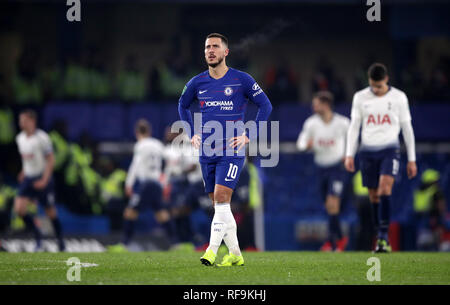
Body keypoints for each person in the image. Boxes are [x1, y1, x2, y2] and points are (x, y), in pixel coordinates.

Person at [178, 33, 272, 266]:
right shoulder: (196, 82)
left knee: (221, 199)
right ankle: (236, 255)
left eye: (215, 47)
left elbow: (265, 105)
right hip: (206, 151)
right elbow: (182, 105)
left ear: (225, 52)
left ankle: (211, 251)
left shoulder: (242, 79)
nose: (210, 50)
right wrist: (192, 132)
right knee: (219, 205)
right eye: (207, 47)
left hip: (231, 150)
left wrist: (249, 134)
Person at [345, 63, 417, 253]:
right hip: (367, 151)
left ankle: (384, 237)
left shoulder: (399, 97)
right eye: (372, 86)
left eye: (378, 86)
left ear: (386, 80)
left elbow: (407, 128)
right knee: (374, 195)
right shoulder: (360, 97)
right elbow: (354, 127)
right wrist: (349, 154)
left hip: (389, 149)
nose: (375, 90)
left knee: (385, 188)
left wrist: (412, 159)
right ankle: (380, 237)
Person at [108, 119, 177, 252]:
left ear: (137, 132)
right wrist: (165, 180)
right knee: (161, 213)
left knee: (130, 212)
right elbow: (170, 160)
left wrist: (129, 184)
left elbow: (135, 165)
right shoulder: (157, 144)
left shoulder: (140, 145)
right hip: (157, 184)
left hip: (145, 184)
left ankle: (124, 244)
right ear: (149, 131)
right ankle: (175, 243)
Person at [297, 91, 350, 252]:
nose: (313, 106)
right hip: (321, 168)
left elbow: (353, 141)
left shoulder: (343, 123)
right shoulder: (311, 124)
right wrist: (306, 145)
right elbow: (301, 142)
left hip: (337, 168)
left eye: (316, 103)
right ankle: (339, 238)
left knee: (333, 203)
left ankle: (333, 243)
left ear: (326, 104)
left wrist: (348, 155)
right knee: (329, 206)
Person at [14, 109, 65, 251]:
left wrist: (44, 180)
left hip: (43, 177)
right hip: (28, 178)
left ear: (32, 121)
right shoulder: (20, 138)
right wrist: (23, 171)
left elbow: (50, 160)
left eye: (23, 120)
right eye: (20, 120)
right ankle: (38, 236)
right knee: (19, 209)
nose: (20, 123)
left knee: (50, 212)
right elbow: (27, 158)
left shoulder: (42, 138)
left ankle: (60, 241)